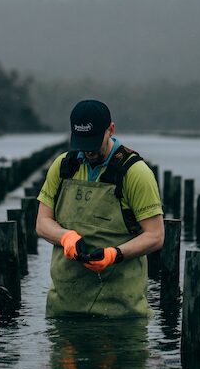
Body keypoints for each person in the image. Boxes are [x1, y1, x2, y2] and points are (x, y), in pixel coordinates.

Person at [35, 99, 164, 318]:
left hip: (121, 312)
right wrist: (65, 237)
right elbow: (42, 223)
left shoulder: (136, 173)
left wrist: (115, 254)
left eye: (94, 142)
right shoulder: (63, 166)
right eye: (82, 143)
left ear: (110, 129)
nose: (88, 151)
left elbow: (155, 235)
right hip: (64, 309)